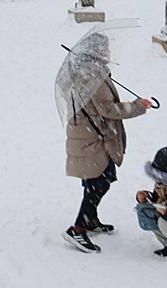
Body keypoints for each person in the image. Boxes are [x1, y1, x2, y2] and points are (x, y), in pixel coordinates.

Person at [62, 34, 153, 253]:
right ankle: (78, 228)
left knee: (99, 178)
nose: (109, 52)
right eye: (106, 49)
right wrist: (138, 106)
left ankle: (90, 219)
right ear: (97, 52)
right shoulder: (92, 76)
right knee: (99, 181)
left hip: (87, 135)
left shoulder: (86, 71)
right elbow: (108, 109)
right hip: (92, 138)